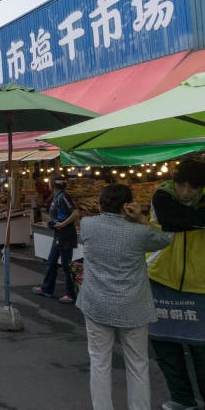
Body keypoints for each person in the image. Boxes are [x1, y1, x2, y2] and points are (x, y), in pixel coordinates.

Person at [76, 184, 173, 410]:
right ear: (128, 205)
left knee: (99, 362)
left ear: (100, 203)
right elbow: (164, 240)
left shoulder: (88, 225)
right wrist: (141, 219)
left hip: (96, 303)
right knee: (138, 364)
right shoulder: (140, 232)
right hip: (133, 305)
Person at [147, 159, 205, 410]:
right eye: (181, 185)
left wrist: (189, 219)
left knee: (201, 349)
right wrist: (195, 219)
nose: (184, 192)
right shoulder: (162, 193)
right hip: (160, 277)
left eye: (192, 187)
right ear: (174, 180)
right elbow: (172, 220)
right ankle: (182, 398)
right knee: (164, 343)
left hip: (201, 284)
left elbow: (183, 220)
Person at [33, 176, 81, 304]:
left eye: (49, 182)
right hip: (59, 235)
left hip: (65, 235)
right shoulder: (57, 196)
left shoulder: (63, 196)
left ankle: (71, 294)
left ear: (53, 184)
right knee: (51, 262)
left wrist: (62, 224)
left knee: (66, 265)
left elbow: (76, 213)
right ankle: (47, 289)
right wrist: (52, 223)